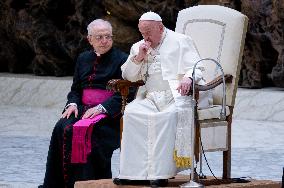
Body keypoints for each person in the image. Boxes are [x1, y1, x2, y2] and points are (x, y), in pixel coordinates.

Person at [113, 12, 211, 187]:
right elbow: (128, 75)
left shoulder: (180, 40)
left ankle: (160, 174)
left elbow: (198, 67)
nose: (145, 37)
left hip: (177, 96)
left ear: (160, 27)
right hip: (150, 97)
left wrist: (188, 78)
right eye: (142, 33)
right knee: (132, 112)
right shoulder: (138, 47)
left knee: (167, 117)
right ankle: (132, 173)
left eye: (148, 32)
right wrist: (139, 58)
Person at [39, 19, 128, 188]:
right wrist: (72, 104)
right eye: (99, 37)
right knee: (62, 127)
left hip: (109, 114)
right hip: (82, 110)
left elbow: (126, 92)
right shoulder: (83, 58)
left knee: (88, 133)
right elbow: (76, 90)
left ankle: (90, 184)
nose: (104, 41)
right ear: (90, 39)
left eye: (108, 37)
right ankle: (61, 184)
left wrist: (102, 108)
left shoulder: (122, 59)